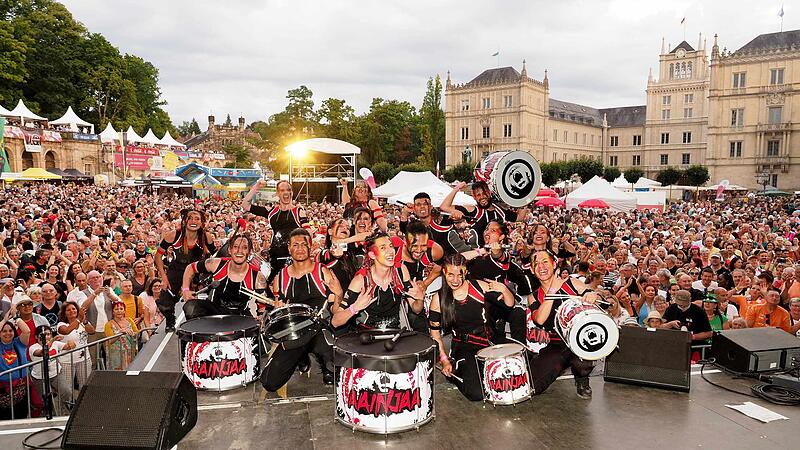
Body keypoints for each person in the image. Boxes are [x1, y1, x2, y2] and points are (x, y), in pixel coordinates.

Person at [261, 229, 342, 390]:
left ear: (310, 247)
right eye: (295, 245)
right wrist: (277, 308)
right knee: (269, 383)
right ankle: (301, 355)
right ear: (289, 248)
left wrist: (338, 294)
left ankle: (323, 360)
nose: (300, 248)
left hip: (319, 327)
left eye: (304, 244)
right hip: (294, 331)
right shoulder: (281, 278)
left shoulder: (323, 272)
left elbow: (336, 309)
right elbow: (279, 311)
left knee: (337, 373)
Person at [428, 254, 516, 401]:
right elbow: (435, 335)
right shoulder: (438, 300)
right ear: (444, 272)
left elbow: (510, 304)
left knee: (515, 377)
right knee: (477, 394)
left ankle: (481, 368)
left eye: (460, 274)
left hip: (489, 340)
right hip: (464, 346)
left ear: (466, 272)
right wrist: (444, 360)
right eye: (451, 274)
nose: (455, 280)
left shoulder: (479, 286)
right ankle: (458, 369)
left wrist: (505, 290)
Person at [525, 250, 596, 398]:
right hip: (556, 344)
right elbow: (540, 320)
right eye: (536, 264)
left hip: (579, 340)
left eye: (545, 261)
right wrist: (552, 290)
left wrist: (593, 294)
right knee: (532, 386)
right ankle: (560, 365)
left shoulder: (571, 283)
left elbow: (595, 293)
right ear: (532, 270)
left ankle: (582, 377)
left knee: (583, 359)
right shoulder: (533, 296)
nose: (541, 266)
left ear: (554, 264)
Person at [155, 209, 215, 330]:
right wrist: (164, 277)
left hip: (196, 271)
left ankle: (193, 326)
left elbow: (215, 256)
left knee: (193, 306)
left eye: (197, 219)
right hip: (176, 269)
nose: (193, 221)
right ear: (184, 221)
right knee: (164, 303)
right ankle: (170, 320)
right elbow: (158, 256)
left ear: (202, 222)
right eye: (190, 218)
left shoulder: (206, 237)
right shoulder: (173, 235)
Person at [181, 234, 268, 318]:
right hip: (213, 310)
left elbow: (262, 303)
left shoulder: (257, 276)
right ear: (229, 250)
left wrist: (260, 317)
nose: (239, 251)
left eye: (244, 248)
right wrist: (185, 289)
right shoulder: (216, 264)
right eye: (235, 247)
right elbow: (190, 268)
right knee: (191, 308)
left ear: (249, 252)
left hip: (240, 315)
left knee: (255, 332)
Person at [243, 180, 308, 283]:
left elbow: (308, 233)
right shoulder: (271, 211)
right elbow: (245, 205)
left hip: (294, 259)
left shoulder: (299, 212)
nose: (286, 192)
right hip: (275, 258)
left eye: (288, 190)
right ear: (277, 193)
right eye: (282, 190)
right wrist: (257, 185)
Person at [29, 325, 74, 415]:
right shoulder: (33, 347)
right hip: (40, 377)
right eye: (43, 335)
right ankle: (51, 416)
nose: (46, 337)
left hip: (56, 373)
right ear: (36, 337)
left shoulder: (55, 344)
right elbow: (42, 352)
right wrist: (53, 340)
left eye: (48, 334)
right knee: (46, 400)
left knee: (66, 391)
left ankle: (64, 411)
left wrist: (70, 342)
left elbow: (68, 346)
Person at [0, 304, 32, 419]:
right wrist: (4, 319)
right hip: (2, 391)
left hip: (20, 389)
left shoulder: (19, 343)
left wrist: (16, 317)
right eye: (4, 331)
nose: (8, 333)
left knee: (21, 418)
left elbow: (27, 331)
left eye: (10, 331)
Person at [56, 301, 93, 399]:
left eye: (74, 309)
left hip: (84, 359)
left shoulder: (82, 323)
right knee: (66, 389)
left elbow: (92, 331)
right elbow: (66, 331)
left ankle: (82, 405)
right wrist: (78, 319)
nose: (72, 311)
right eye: (68, 310)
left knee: (85, 386)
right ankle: (65, 410)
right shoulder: (61, 324)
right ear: (64, 313)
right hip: (67, 361)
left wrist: (84, 321)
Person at [103, 301, 138, 371]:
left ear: (124, 311)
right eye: (116, 309)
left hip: (130, 352)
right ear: (113, 312)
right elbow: (110, 341)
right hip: (115, 355)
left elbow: (137, 333)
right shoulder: (108, 324)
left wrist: (132, 333)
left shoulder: (130, 320)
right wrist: (119, 333)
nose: (119, 311)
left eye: (121, 309)